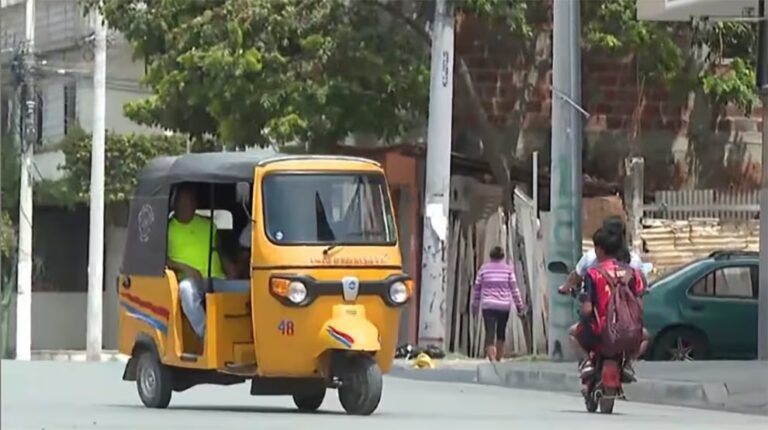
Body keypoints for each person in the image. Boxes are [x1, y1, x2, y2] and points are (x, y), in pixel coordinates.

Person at [568, 228, 648, 387]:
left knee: (572, 334)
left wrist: (584, 315)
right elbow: (640, 304)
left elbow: (588, 309)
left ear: (598, 249)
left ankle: (586, 363)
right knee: (645, 336)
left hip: (599, 332)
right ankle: (627, 363)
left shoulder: (593, 273)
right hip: (629, 333)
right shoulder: (631, 273)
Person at [167, 183, 234, 339]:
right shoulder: (167, 229)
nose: (187, 205)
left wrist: (230, 268)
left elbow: (219, 250)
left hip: (217, 279)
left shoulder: (208, 225)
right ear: (174, 204)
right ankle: (207, 335)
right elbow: (162, 259)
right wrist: (186, 268)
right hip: (191, 281)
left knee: (253, 288)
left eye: (190, 202)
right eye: (183, 201)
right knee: (186, 290)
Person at [559, 216, 644, 295]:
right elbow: (642, 286)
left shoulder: (591, 258)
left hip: (599, 309)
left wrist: (564, 288)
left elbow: (576, 276)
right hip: (627, 309)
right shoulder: (634, 261)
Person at [471, 246, 526, 361]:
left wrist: (474, 306)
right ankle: (499, 356)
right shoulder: (508, 270)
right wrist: (519, 306)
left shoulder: (483, 269)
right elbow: (514, 290)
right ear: (502, 256)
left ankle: (491, 356)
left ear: (490, 256)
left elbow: (477, 289)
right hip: (504, 306)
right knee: (501, 330)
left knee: (489, 331)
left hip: (488, 305)